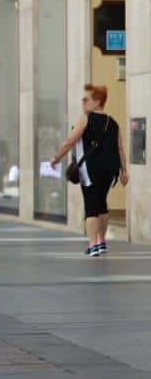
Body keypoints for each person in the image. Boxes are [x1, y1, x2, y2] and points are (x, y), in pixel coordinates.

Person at [50, 84, 128, 256]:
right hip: (110, 170)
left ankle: (93, 245)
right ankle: (101, 242)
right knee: (102, 204)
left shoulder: (85, 119)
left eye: (86, 100)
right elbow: (120, 148)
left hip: (90, 169)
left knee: (91, 206)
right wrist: (124, 171)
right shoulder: (112, 122)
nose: (83, 103)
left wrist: (56, 158)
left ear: (97, 102)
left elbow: (70, 141)